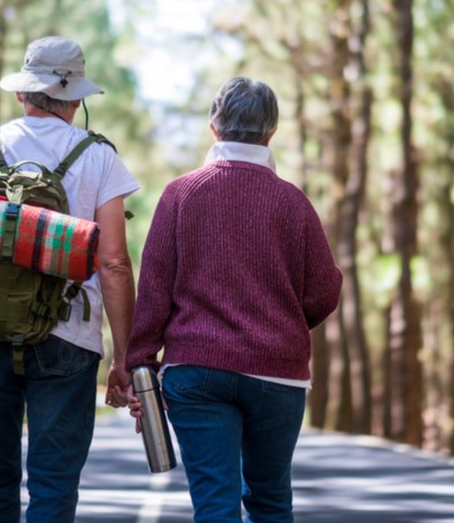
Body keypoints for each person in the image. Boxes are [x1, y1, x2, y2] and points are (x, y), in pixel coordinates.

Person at [0, 36, 138, 522]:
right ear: (77, 97)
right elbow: (114, 265)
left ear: (22, 93)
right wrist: (124, 356)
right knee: (53, 487)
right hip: (68, 338)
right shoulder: (99, 156)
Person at [126, 77, 342, 522]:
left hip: (197, 372)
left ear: (213, 128)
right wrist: (281, 322)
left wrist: (139, 363)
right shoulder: (294, 203)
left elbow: (153, 289)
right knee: (270, 501)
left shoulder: (181, 194)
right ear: (271, 133)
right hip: (278, 376)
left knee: (215, 503)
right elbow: (324, 291)